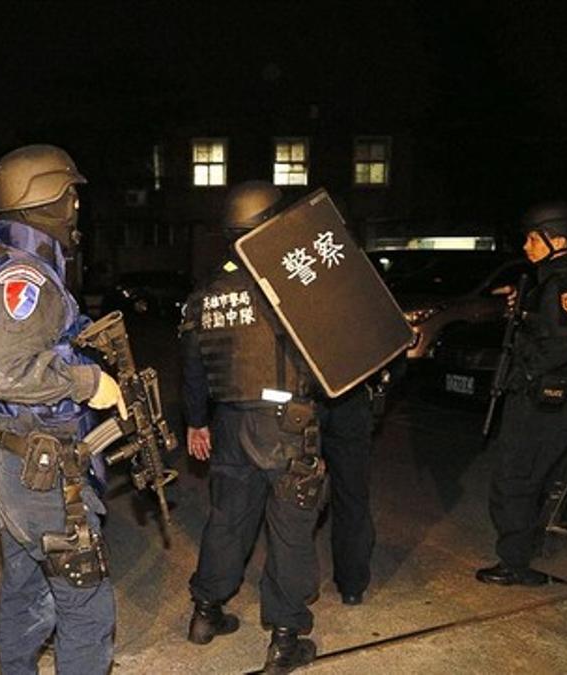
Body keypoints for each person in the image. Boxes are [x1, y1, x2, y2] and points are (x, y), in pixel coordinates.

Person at [0, 144, 126, 674]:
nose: (77, 207)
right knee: (84, 605)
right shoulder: (26, 276)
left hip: (21, 461)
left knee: (27, 588)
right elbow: (4, 371)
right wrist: (87, 382)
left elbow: (32, 347)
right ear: (50, 199)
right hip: (42, 469)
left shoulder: (13, 263)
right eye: (71, 196)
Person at [179, 180, 321, 673]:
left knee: (228, 520)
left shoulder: (206, 293)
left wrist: (197, 421)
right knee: (290, 528)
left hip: (228, 424)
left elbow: (193, 367)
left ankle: (205, 613)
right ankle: (284, 639)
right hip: (283, 424)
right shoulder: (293, 284)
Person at [477, 202, 567, 586]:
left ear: (557, 239)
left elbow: (561, 345)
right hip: (546, 398)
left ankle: (517, 563)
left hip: (544, 399)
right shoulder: (550, 280)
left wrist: (524, 374)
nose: (527, 245)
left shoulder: (565, 284)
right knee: (536, 481)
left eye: (534, 238)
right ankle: (536, 559)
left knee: (516, 480)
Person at [317, 357, 377, 608]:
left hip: (307, 399)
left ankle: (297, 586)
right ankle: (352, 586)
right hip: (352, 396)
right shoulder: (368, 314)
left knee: (296, 498)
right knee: (352, 497)